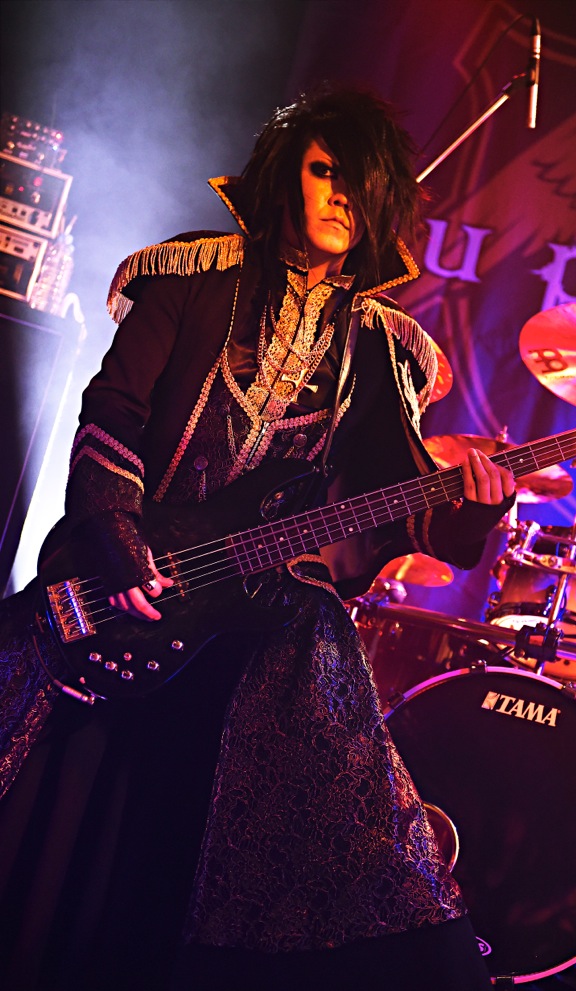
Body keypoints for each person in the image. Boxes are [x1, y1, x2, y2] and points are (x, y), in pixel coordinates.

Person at [0, 84, 515, 991]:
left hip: (257, 623)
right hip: (125, 587)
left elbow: (404, 504)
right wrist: (116, 534)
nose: (340, 196)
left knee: (327, 695)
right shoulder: (188, 277)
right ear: (285, 176)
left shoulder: (381, 347)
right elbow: (112, 414)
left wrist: (474, 507)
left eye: (359, 183)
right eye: (324, 171)